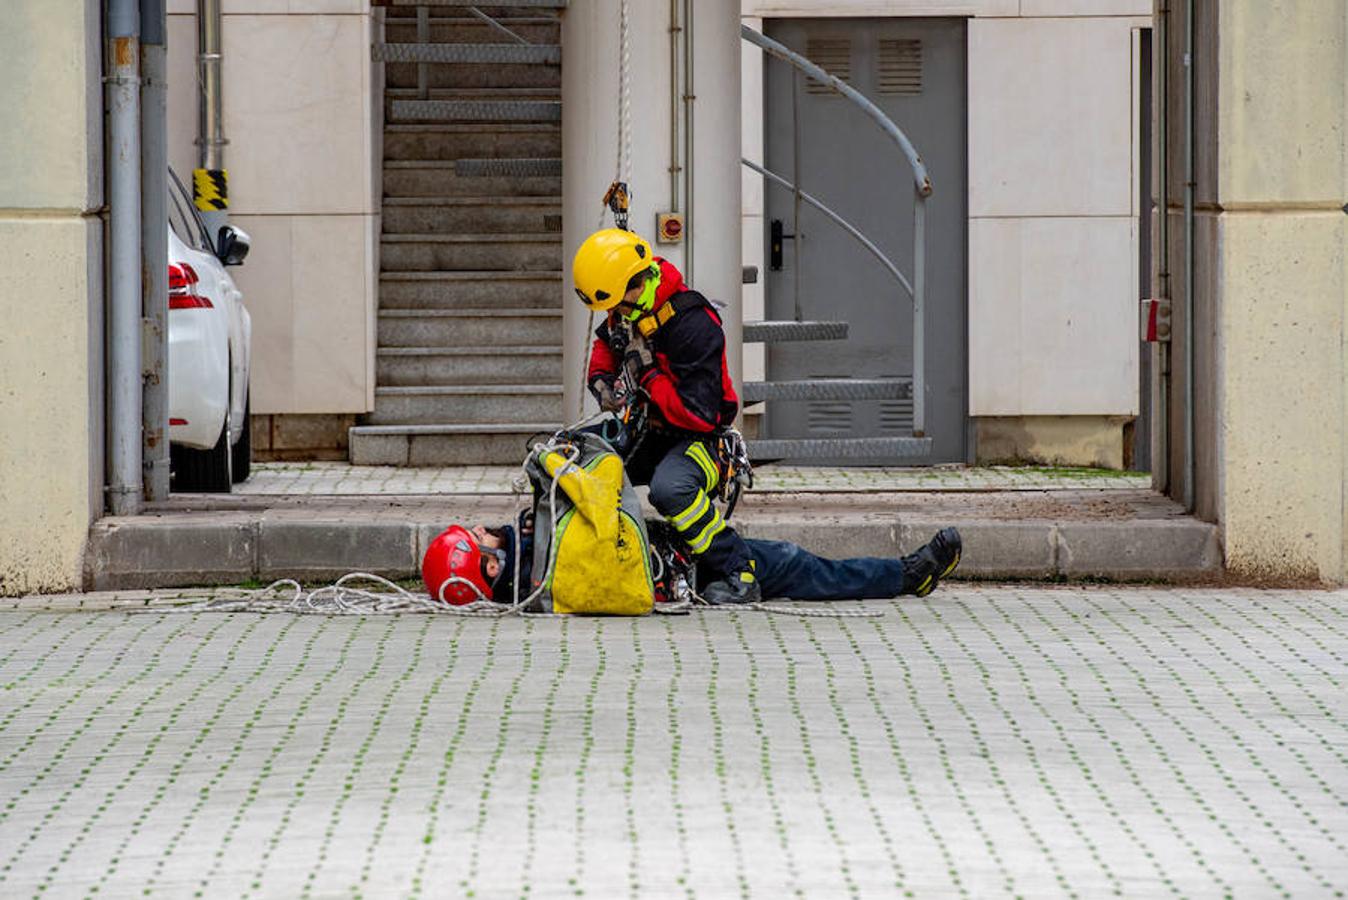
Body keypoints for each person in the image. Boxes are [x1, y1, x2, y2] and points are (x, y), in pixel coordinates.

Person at [572, 228, 760, 604]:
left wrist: (649, 375)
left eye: (616, 306)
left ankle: (738, 568)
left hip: (700, 438)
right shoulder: (628, 304)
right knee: (579, 458)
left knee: (669, 489)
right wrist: (601, 379)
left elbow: (700, 414)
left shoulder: (693, 324)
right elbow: (608, 343)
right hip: (652, 427)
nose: (614, 315)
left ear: (634, 285)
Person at [422, 514, 962, 608]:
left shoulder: (529, 558)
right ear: (487, 568)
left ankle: (901, 574)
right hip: (693, 572)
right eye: (474, 538)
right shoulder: (535, 569)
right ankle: (906, 576)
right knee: (799, 566)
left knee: (799, 565)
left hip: (675, 556)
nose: (480, 529)